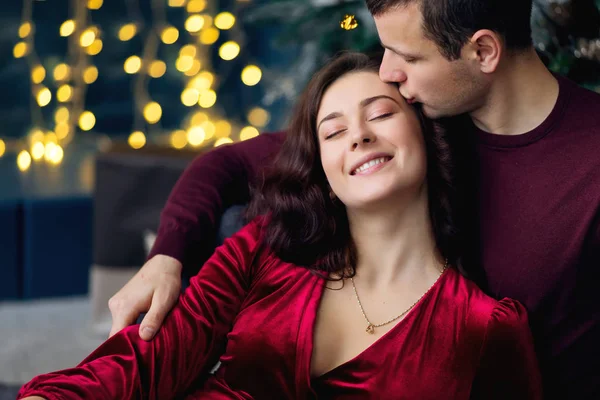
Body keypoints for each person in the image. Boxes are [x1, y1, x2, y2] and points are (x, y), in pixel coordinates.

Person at [107, 0, 600, 398]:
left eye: (408, 57)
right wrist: (167, 258)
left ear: (483, 52)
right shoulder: (415, 123)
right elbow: (227, 166)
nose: (388, 71)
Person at [18, 52, 541, 400]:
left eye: (380, 114)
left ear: (426, 136)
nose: (357, 135)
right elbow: (147, 361)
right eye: (333, 132)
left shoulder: (486, 326)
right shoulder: (265, 249)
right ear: (326, 174)